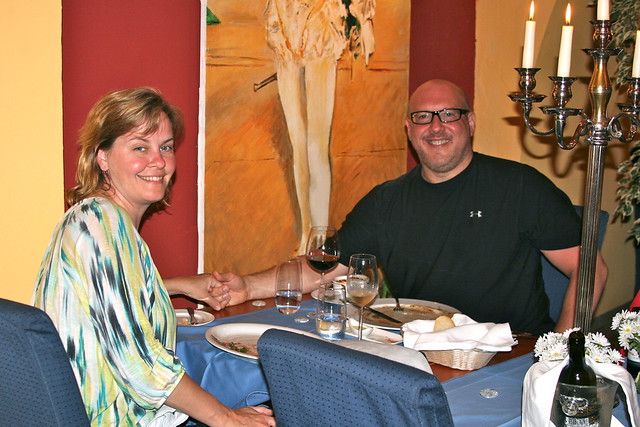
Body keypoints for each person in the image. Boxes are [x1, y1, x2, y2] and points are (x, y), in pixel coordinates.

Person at [214, 79, 608, 335]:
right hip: (416, 350)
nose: (436, 127)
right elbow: (323, 268)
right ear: (409, 129)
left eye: (449, 115)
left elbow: (591, 268)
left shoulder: (520, 187)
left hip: (509, 353)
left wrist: (559, 356)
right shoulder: (386, 201)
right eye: (422, 117)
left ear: (470, 123)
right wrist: (246, 286)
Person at [32, 88, 274, 426]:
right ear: (103, 158)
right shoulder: (103, 223)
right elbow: (141, 366)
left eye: (166, 147)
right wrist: (227, 418)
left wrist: (177, 285)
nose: (158, 161)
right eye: (140, 147)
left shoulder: (93, 219)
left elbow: (108, 297)